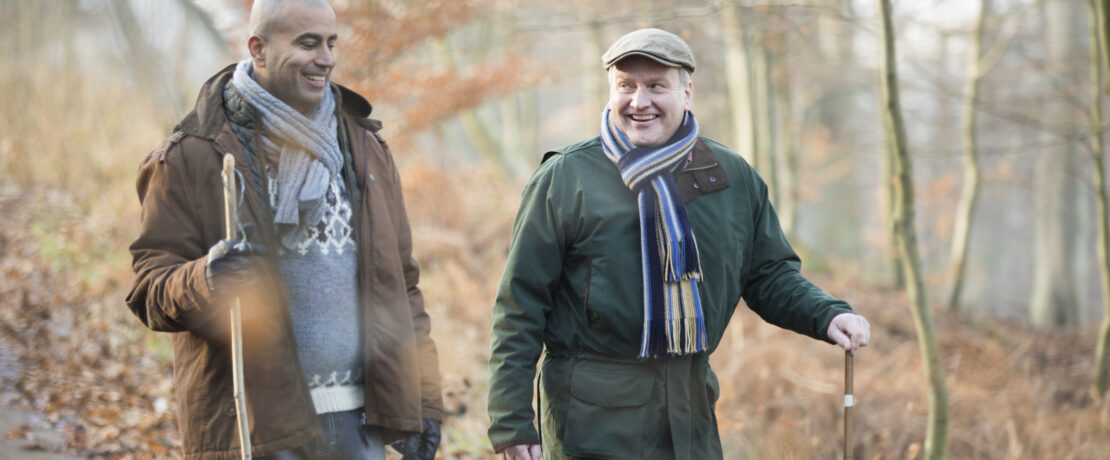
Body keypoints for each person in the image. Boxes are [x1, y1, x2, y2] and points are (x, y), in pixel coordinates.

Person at [486, 28, 871, 460]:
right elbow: (520, 304)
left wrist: (827, 313)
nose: (639, 101)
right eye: (626, 85)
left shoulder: (730, 177)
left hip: (691, 420)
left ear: (687, 92)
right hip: (590, 423)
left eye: (656, 86)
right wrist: (511, 421)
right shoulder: (566, 178)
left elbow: (768, 274)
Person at [126, 1, 442, 458]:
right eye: (308, 43)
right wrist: (206, 280)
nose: (327, 58)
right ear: (258, 49)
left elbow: (404, 285)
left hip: (359, 423)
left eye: (331, 43)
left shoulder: (366, 150)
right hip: (257, 427)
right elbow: (148, 288)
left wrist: (424, 398)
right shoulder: (191, 156)